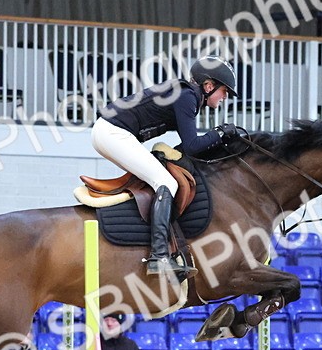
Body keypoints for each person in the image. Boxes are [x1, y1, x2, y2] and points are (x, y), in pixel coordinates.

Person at [91, 55, 242, 278]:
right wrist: (219, 133)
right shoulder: (187, 96)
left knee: (160, 178)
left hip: (110, 132)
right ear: (209, 86)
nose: (225, 97)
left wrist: (218, 137)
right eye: (224, 91)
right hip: (112, 133)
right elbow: (192, 146)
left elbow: (188, 148)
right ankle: (159, 257)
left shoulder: (187, 95)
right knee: (166, 182)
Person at [73, 313, 145, 350]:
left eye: (113, 320)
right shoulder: (92, 344)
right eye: (106, 320)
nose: (109, 324)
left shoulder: (130, 345)